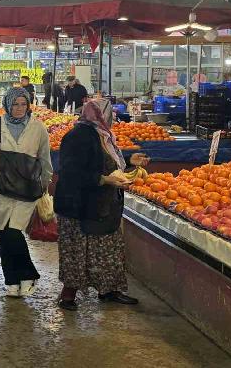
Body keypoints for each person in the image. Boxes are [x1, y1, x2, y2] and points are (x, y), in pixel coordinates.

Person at [54, 99, 148, 311]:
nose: (112, 118)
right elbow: (70, 173)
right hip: (78, 206)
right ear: (98, 115)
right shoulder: (77, 137)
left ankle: (109, 290)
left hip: (102, 205)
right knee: (76, 252)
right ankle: (68, 295)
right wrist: (104, 180)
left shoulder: (104, 135)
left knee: (107, 250)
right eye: (109, 114)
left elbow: (106, 162)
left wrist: (129, 161)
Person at [0, 87, 53, 297]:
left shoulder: (38, 128)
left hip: (26, 190)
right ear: (7, 105)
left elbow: (44, 158)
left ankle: (28, 274)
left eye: (23, 104)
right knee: (2, 233)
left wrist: (45, 183)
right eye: (15, 104)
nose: (19, 108)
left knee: (13, 231)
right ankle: (11, 280)